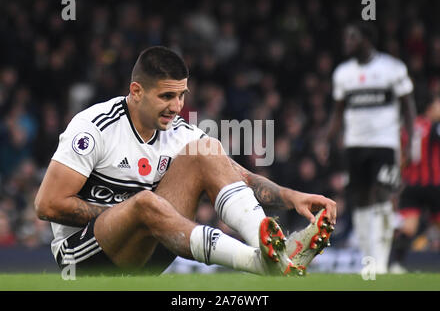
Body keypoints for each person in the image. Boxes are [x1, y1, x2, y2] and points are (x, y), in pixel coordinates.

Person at [35, 46, 336, 276]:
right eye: (167, 96)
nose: (177, 107)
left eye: (181, 95)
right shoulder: (94, 127)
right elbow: (47, 205)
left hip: (149, 250)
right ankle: (259, 264)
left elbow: (237, 176)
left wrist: (291, 196)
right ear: (136, 91)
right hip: (85, 258)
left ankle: (272, 251)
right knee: (144, 204)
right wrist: (128, 217)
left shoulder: (178, 131)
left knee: (206, 150)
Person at [326, 22, 416, 274]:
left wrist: (411, 141)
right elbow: (338, 113)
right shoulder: (342, 73)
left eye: (351, 37)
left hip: (385, 144)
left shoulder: (392, 68)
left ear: (366, 38)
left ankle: (382, 261)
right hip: (355, 146)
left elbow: (408, 107)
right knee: (361, 200)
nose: (346, 43)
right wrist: (327, 138)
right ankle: (369, 260)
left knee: (383, 196)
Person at [389, 94, 440, 273]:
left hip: (411, 186)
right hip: (434, 184)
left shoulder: (407, 129)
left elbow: (402, 158)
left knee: (408, 228)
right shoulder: (435, 126)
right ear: (430, 107)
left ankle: (396, 264)